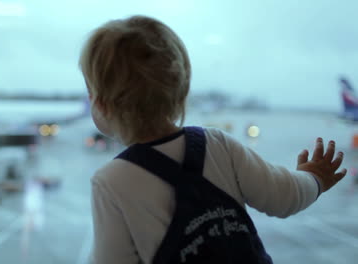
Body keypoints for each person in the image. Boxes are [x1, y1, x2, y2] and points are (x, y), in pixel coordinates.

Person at [78, 15, 347, 264]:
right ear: (181, 90)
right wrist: (314, 178)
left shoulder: (111, 182)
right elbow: (284, 197)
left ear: (102, 104)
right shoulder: (219, 144)